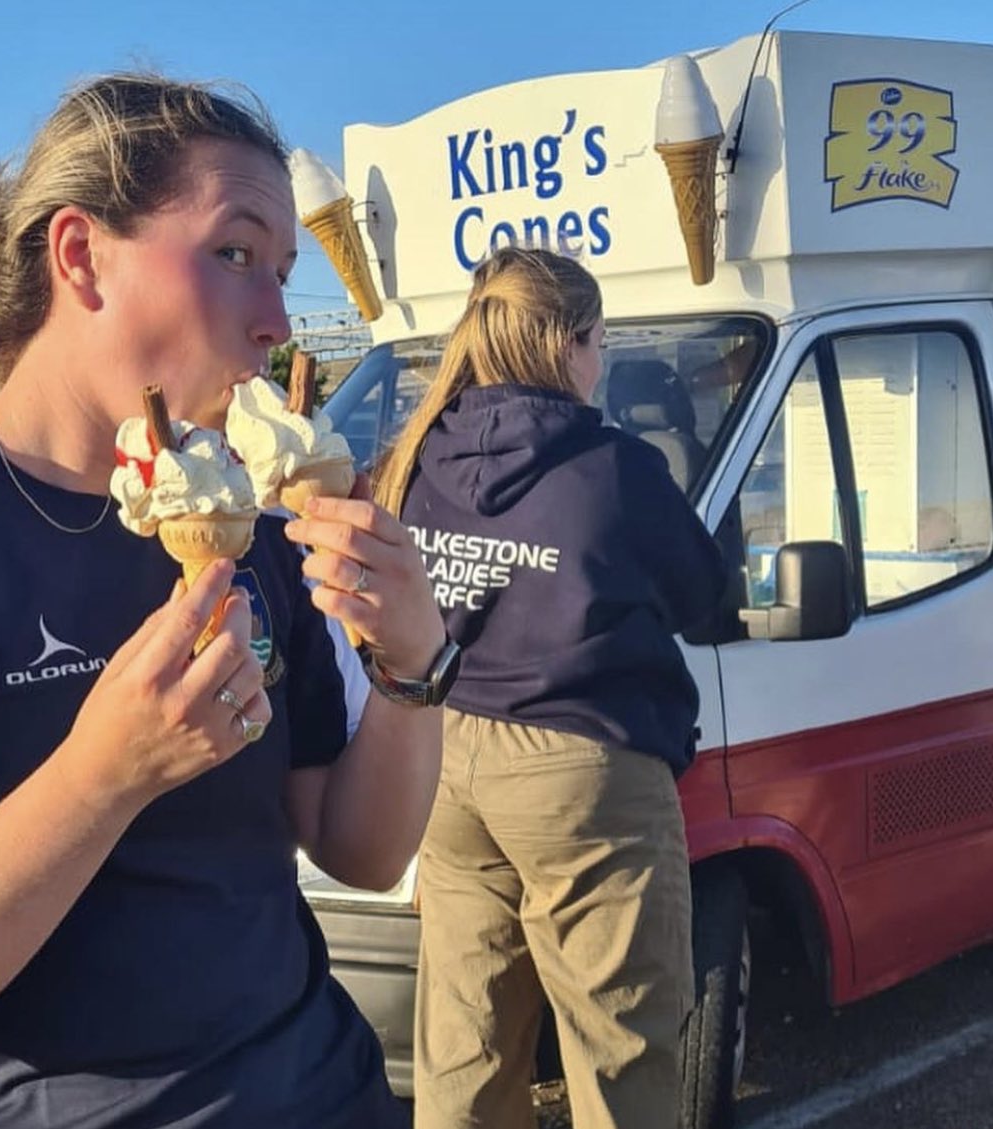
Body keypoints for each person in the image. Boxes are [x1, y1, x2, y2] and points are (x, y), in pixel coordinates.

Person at [0, 73, 452, 1128]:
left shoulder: (251, 521)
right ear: (80, 257)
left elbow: (364, 851)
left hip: (326, 1092)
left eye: (285, 273)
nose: (278, 325)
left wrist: (411, 667)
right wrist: (104, 776)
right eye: (235, 255)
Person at [374, 246, 727, 1129]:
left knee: (466, 1044)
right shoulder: (613, 466)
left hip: (447, 759)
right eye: (601, 342)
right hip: (583, 773)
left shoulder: (421, 455)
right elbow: (707, 595)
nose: (601, 363)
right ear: (571, 344)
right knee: (620, 1051)